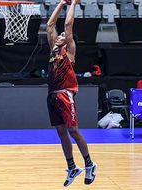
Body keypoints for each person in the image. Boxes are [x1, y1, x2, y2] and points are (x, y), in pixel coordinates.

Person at [46, 0, 97, 186]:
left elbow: (67, 25)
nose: (59, 36)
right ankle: (72, 167)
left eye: (62, 36)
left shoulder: (69, 53)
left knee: (73, 130)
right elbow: (50, 25)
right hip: (52, 95)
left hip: (65, 94)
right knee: (61, 132)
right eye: (58, 36)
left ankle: (90, 164)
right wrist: (61, 2)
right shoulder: (53, 50)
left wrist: (73, 3)